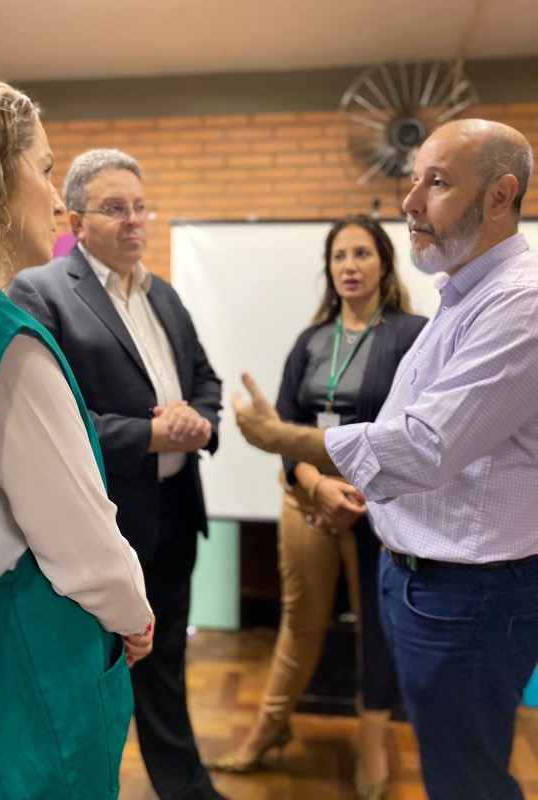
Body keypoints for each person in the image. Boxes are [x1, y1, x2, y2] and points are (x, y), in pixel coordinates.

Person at [232, 118, 538, 800]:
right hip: (411, 566)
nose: (409, 202)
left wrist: (285, 440)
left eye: (436, 182)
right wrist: (309, 476)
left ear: (499, 195)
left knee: (467, 775)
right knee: (452, 759)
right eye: (412, 181)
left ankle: (375, 756)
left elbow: (423, 445)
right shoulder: (458, 296)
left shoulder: (518, 303)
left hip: (467, 592)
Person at [0, 73, 154, 800]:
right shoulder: (4, 343)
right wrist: (135, 614)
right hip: (17, 677)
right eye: (44, 168)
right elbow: (84, 545)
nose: (57, 199)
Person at [8, 149, 226, 800]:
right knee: (95, 676)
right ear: (75, 218)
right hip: (101, 529)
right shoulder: (41, 291)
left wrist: (201, 421)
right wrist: (155, 434)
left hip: (177, 515)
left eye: (140, 206)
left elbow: (206, 383)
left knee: (168, 669)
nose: (135, 221)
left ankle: (185, 790)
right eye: (115, 208)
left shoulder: (164, 294)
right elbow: (55, 426)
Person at [210, 216, 426, 798]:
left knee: (376, 629)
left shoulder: (412, 334)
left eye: (361, 253)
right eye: (338, 256)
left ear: (384, 262)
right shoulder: (310, 341)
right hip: (307, 499)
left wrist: (350, 490)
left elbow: (414, 431)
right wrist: (314, 485)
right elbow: (284, 426)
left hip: (378, 509)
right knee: (297, 624)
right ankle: (269, 727)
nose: (349, 265)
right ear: (329, 270)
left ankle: (374, 742)